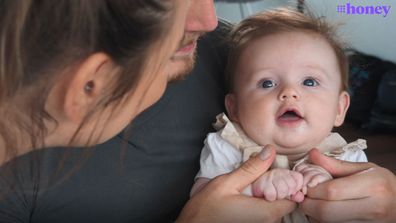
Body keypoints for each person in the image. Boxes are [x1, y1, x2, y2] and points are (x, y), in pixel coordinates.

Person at [0, 1, 395, 223]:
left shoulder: (217, 47)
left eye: (309, 83)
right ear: (91, 84)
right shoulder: (19, 184)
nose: (208, 19)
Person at [190, 8, 368, 223]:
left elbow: (367, 212)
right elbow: (201, 202)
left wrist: (330, 188)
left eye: (309, 82)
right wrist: (253, 188)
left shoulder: (349, 158)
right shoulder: (227, 146)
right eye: (267, 83)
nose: (289, 92)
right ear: (235, 108)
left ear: (339, 109)